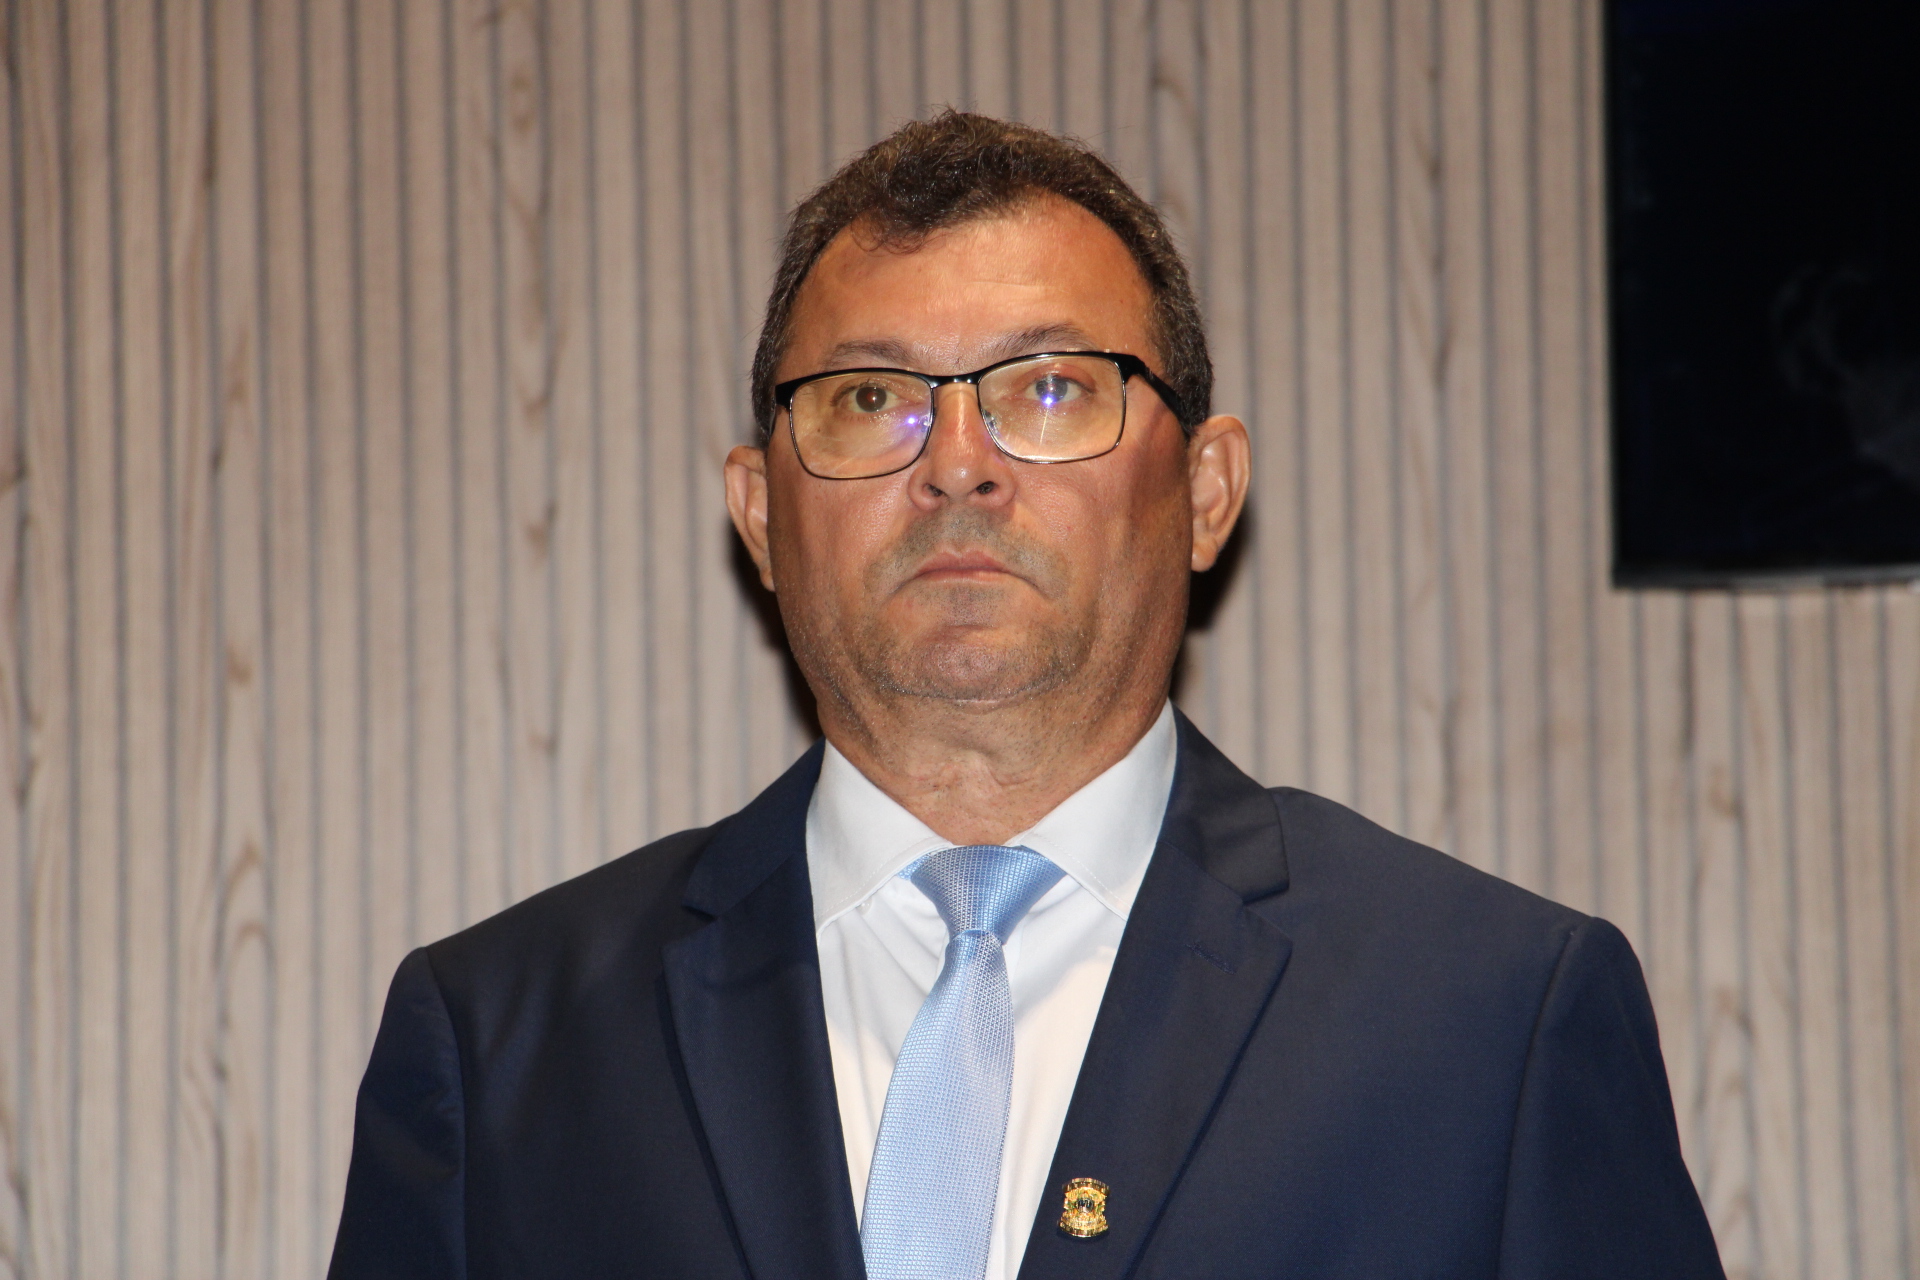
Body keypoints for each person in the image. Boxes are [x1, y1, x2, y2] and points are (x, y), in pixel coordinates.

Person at [328, 111, 1725, 1280]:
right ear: (759, 515)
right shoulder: (506, 1043)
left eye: (1050, 389)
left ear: (1207, 491)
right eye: (870, 399)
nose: (957, 465)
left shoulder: (1488, 1022)